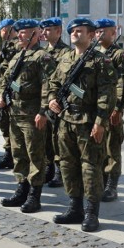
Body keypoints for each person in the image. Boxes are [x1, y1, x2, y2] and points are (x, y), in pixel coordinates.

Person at [48, 18, 116, 232]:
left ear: (91, 35)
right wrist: (51, 99)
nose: (75, 34)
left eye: (80, 31)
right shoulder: (66, 57)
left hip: (88, 122)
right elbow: (54, 82)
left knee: (90, 167)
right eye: (73, 31)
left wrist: (100, 122)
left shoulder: (100, 61)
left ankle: (91, 213)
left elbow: (107, 94)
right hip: (66, 121)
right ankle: (75, 207)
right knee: (68, 165)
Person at [0, 19, 55, 212]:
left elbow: (49, 85)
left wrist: (43, 111)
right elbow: (5, 79)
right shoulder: (16, 56)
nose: (19, 35)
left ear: (35, 34)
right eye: (19, 32)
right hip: (15, 113)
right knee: (19, 154)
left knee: (35, 155)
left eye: (24, 32)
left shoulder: (42, 56)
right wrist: (1, 98)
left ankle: (34, 195)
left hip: (32, 115)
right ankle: (21, 189)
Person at [94, 18, 124, 203]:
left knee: (112, 147)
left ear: (113, 33)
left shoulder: (120, 55)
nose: (99, 34)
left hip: (111, 110)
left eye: (104, 31)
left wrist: (117, 107)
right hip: (95, 110)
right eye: (97, 31)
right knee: (97, 147)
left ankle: (111, 185)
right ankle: (100, 181)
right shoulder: (93, 53)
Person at [40, 17, 72, 188]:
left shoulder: (66, 53)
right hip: (44, 100)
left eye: (48, 30)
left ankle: (60, 171)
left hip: (57, 102)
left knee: (57, 137)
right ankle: (48, 167)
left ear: (58, 31)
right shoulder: (43, 51)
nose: (44, 32)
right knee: (45, 137)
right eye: (43, 30)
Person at [0, 18, 18, 170]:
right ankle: (8, 154)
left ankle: (12, 155)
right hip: (3, 88)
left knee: (12, 125)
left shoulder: (15, 46)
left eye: (3, 30)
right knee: (4, 124)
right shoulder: (5, 46)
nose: (1, 33)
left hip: (12, 91)